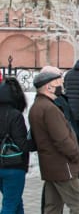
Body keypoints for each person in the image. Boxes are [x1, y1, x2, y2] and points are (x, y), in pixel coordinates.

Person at [29, 71, 79, 213]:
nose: (61, 85)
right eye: (58, 83)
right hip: (62, 165)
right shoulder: (49, 108)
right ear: (48, 87)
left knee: (53, 205)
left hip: (51, 165)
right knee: (78, 203)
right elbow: (61, 139)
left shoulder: (39, 105)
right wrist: (75, 154)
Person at [0, 77, 30, 213]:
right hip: (14, 166)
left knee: (16, 201)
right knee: (10, 203)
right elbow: (22, 144)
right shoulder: (15, 115)